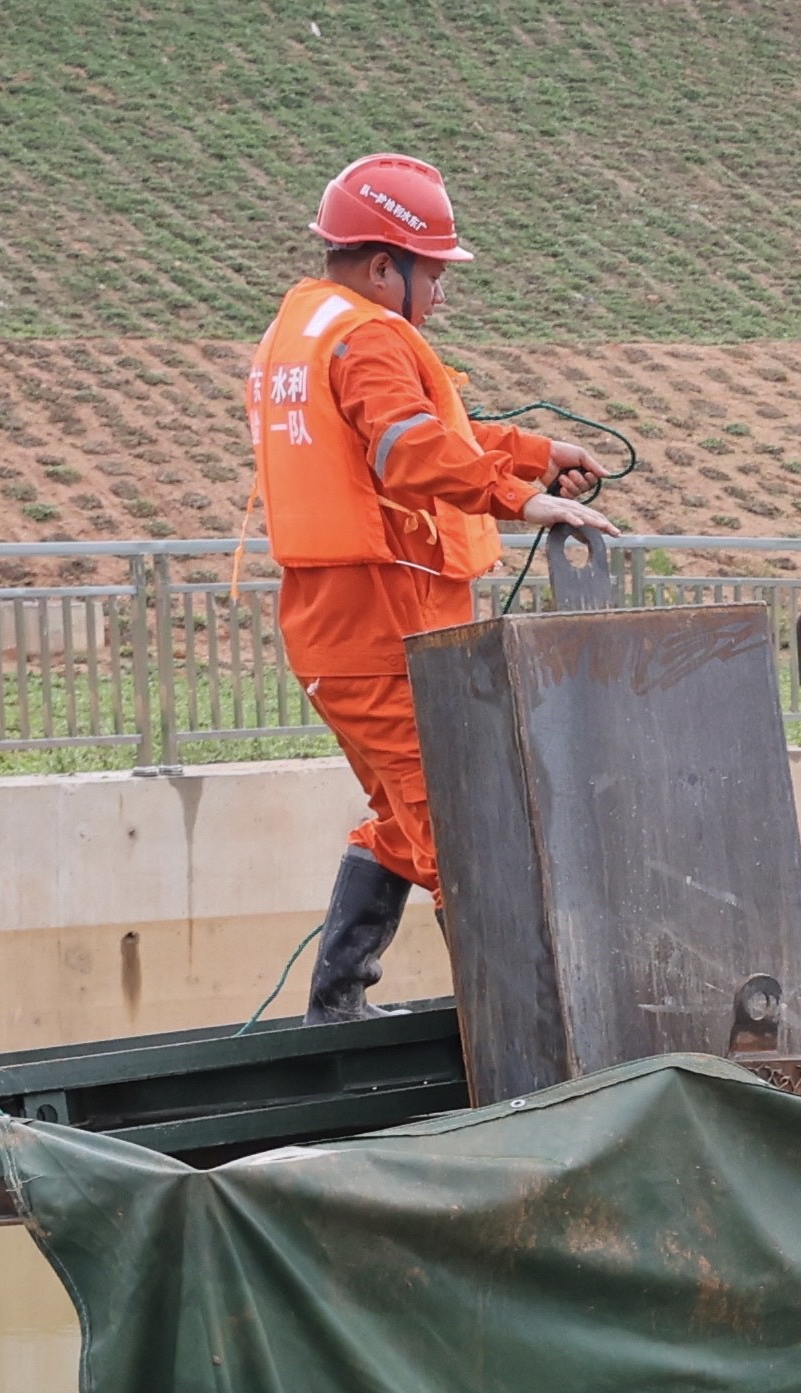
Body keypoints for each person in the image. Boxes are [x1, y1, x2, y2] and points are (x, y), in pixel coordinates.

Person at [251, 153, 612, 1018]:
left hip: (346, 620)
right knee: (460, 830)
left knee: (407, 813)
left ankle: (336, 1001)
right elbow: (407, 449)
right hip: (382, 621)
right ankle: (520, 1035)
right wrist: (524, 500)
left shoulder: (308, 326)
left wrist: (533, 452)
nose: (441, 294)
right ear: (384, 265)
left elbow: (427, 426)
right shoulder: (370, 337)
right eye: (435, 273)